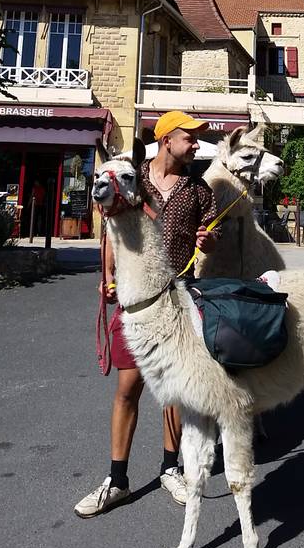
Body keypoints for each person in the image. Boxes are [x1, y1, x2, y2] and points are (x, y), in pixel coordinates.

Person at [74, 111, 219, 519]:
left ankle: (170, 467)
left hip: (176, 299)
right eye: (189, 138)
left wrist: (208, 241)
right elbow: (110, 229)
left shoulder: (197, 189)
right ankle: (116, 479)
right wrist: (106, 276)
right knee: (128, 389)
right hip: (135, 301)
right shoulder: (130, 175)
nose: (195, 145)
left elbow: (211, 234)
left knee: (172, 390)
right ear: (166, 139)